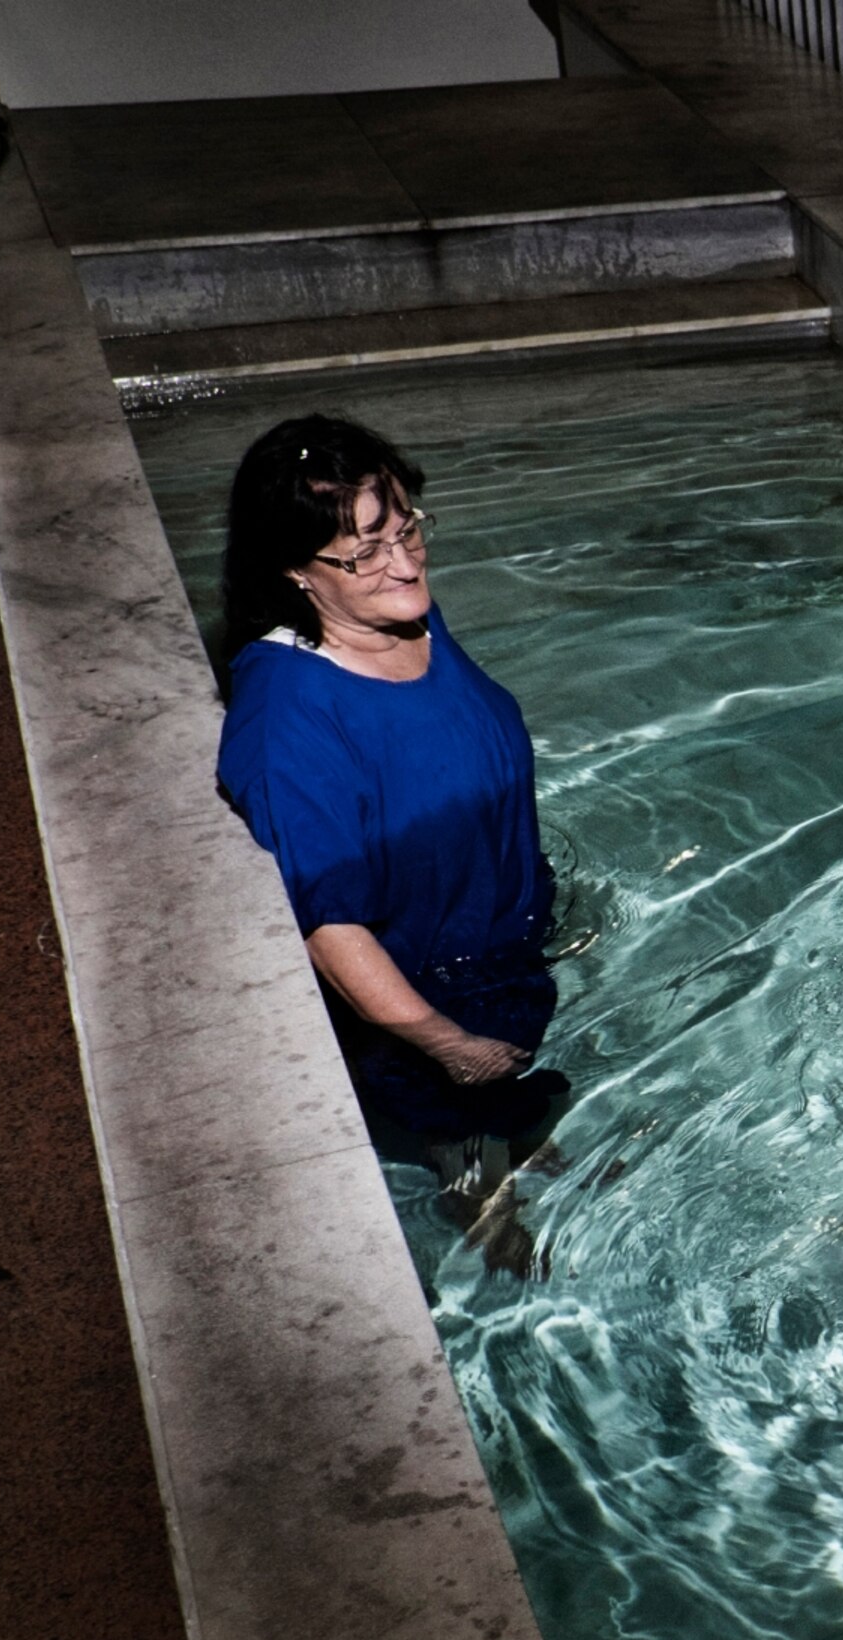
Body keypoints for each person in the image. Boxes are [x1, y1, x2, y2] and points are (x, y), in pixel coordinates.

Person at [214, 415, 565, 1270]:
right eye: (363, 551)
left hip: (499, 954)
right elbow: (331, 926)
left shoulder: (407, 620)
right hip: (424, 1002)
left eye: (405, 529)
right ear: (295, 569)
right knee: (466, 1140)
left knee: (512, 1106)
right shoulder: (289, 718)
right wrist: (446, 1041)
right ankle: (484, 1209)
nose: (404, 565)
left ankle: (507, 1142)